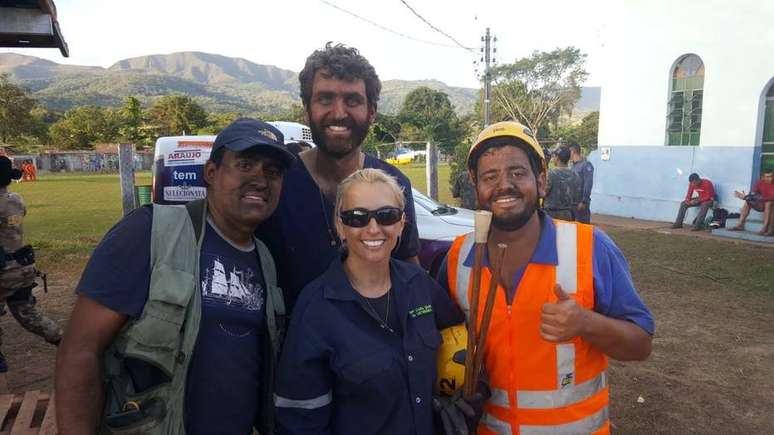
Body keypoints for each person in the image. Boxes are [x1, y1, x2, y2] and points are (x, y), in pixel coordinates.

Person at [55, 118, 295, 435]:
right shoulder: (150, 233)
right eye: (245, 164)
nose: (260, 180)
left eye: (273, 172)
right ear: (211, 173)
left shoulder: (265, 259)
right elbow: (79, 350)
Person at [437, 121, 654, 434]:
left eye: (517, 172)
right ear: (475, 185)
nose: (504, 185)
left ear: (541, 180)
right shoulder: (459, 257)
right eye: (489, 176)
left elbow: (641, 345)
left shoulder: (589, 247)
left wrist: (586, 323)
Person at [275, 168, 472, 435]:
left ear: (402, 223)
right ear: (340, 227)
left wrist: (465, 387)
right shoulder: (315, 309)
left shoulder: (420, 285)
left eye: (386, 215)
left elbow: (460, 338)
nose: (373, 228)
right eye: (357, 217)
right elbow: (300, 419)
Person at [258, 43, 420, 314]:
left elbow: (408, 266)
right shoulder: (278, 179)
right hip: (291, 349)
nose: (339, 113)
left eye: (353, 100)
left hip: (374, 348)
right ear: (306, 108)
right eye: (325, 99)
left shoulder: (393, 182)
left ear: (372, 111)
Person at [0, 156, 62, 374]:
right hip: (21, 268)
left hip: (3, 271)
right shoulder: (16, 200)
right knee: (28, 313)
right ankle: (61, 340)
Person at [730, 168, 774, 235]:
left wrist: (758, 198)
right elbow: (753, 193)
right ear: (763, 177)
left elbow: (771, 197)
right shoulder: (759, 182)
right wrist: (746, 197)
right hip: (762, 204)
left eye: (771, 176)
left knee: (768, 203)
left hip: (771, 205)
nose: (770, 178)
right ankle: (740, 224)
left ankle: (765, 227)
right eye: (767, 177)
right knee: (747, 202)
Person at [544, 145, 582, 221]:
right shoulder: (575, 175)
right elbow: (577, 196)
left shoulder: (551, 173)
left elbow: (544, 192)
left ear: (557, 158)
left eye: (554, 156)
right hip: (568, 215)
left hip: (551, 215)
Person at [569, 142, 594, 223]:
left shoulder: (586, 165)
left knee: (583, 227)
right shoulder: (573, 166)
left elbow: (588, 184)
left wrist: (584, 201)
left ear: (572, 152)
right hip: (572, 203)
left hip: (581, 203)